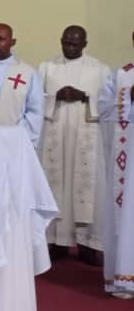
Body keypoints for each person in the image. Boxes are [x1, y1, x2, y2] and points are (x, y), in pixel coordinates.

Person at [38, 25, 111, 264]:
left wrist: (86, 96)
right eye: (66, 43)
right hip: (55, 136)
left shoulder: (100, 69)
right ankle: (57, 241)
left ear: (85, 44)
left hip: (86, 138)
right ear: (61, 40)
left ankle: (87, 244)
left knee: (87, 187)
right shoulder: (46, 68)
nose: (69, 47)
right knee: (55, 186)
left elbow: (108, 102)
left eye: (75, 44)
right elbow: (35, 99)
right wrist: (54, 97)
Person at [98, 30, 134, 299]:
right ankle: (126, 277)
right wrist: (128, 97)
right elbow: (103, 108)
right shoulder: (122, 75)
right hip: (129, 158)